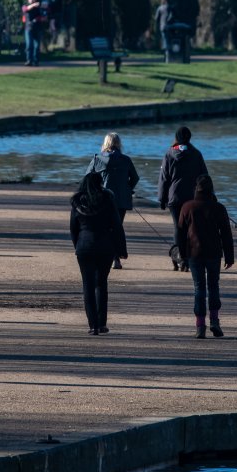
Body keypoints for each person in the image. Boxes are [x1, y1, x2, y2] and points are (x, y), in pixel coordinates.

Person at [177, 175, 234, 339]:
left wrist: (182, 254)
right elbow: (226, 235)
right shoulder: (219, 208)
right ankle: (215, 321)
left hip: (194, 253)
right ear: (212, 189)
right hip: (214, 253)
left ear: (196, 189)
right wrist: (229, 257)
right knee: (213, 286)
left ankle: (200, 326)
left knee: (198, 288)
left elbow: (180, 233)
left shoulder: (187, 207)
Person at [69, 172, 125, 335]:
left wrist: (77, 246)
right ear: (100, 183)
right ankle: (101, 323)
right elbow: (116, 225)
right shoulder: (107, 199)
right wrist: (121, 248)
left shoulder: (77, 201)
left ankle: (92, 325)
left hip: (84, 247)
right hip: (105, 246)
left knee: (88, 286)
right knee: (101, 284)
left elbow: (73, 228)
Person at [157, 126, 208, 270]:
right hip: (193, 198)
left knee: (178, 228)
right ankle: (193, 257)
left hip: (175, 198)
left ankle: (182, 258)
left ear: (176, 138)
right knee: (192, 228)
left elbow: (164, 178)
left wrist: (162, 198)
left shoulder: (169, 154)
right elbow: (204, 178)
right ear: (189, 138)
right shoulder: (196, 154)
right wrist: (209, 196)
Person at [85, 132, 139, 269]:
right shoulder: (126, 160)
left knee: (102, 228)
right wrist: (128, 189)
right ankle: (116, 258)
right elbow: (135, 178)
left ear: (105, 144)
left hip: (102, 199)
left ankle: (100, 256)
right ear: (118, 144)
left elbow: (87, 178)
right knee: (117, 227)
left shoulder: (97, 159)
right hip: (121, 200)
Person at [22, 0, 44, 66]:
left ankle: (36, 61)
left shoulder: (38, 8)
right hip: (28, 29)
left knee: (37, 46)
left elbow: (42, 17)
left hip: (37, 28)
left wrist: (37, 19)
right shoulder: (25, 6)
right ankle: (29, 60)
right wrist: (34, 5)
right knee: (29, 45)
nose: (33, 0)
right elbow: (26, 9)